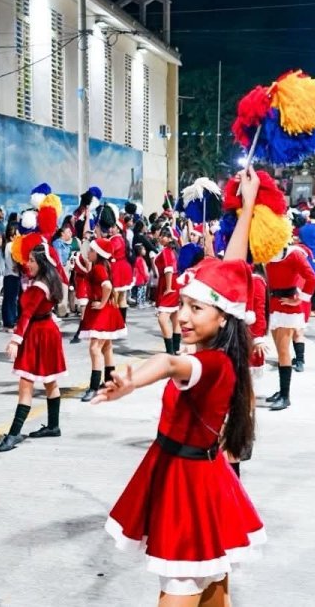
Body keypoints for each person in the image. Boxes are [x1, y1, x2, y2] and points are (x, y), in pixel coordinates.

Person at [91, 167, 264, 603]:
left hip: (190, 484)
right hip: (192, 473)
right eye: (182, 304)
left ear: (222, 317)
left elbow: (169, 363)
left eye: (196, 309)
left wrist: (130, 382)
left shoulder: (214, 365)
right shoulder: (224, 343)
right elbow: (234, 269)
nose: (184, 316)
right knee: (214, 585)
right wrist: (246, 206)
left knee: (184, 587)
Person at [0, 241, 68, 452]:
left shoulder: (39, 286)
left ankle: (13, 434)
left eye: (31, 261)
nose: (27, 263)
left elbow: (26, 314)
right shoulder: (50, 279)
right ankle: (53, 426)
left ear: (42, 262)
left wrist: (15, 340)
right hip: (48, 331)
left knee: (26, 385)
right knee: (49, 382)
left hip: (37, 333)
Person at [264, 240, 315, 411]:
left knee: (283, 351)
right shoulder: (265, 253)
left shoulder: (293, 254)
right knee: (280, 352)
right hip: (273, 304)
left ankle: (285, 396)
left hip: (287, 307)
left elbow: (312, 278)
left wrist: (299, 300)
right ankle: (281, 391)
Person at [79, 237, 127, 402]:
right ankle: (108, 382)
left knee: (95, 348)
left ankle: (94, 387)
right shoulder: (102, 266)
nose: (89, 252)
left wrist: (101, 304)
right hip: (107, 310)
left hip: (102, 312)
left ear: (98, 253)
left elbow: (107, 286)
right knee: (106, 347)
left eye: (92, 250)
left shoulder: (99, 268)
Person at [154, 226, 181, 355]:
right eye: (160, 235)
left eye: (163, 235)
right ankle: (176, 348)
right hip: (175, 283)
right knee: (175, 317)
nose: (160, 237)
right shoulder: (174, 250)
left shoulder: (166, 250)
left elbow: (169, 269)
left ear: (170, 238)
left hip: (168, 283)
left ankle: (170, 351)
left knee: (163, 318)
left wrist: (169, 288)